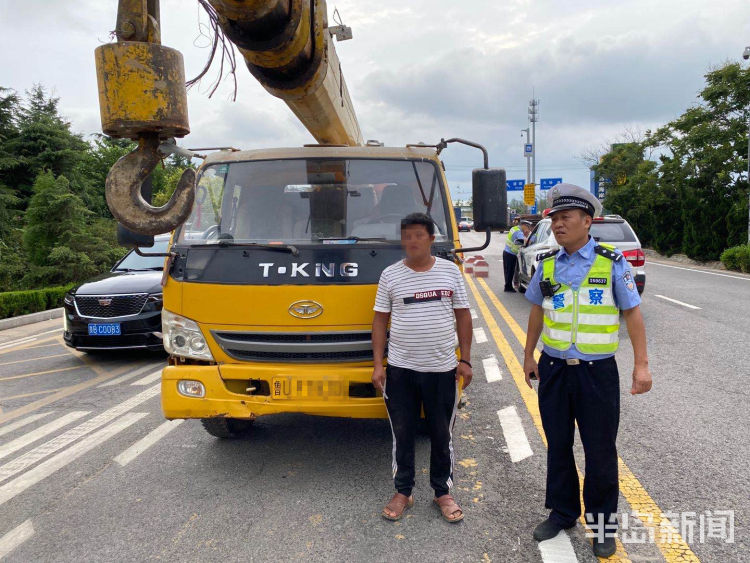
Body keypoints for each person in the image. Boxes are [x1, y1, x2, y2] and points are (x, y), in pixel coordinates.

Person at [522, 183, 652, 558]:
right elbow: (535, 310)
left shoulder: (611, 263)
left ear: (586, 221)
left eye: (565, 219)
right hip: (555, 369)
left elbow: (633, 313)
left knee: (599, 450)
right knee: (558, 444)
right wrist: (529, 354)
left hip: (597, 372)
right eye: (555, 219)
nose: (558, 225)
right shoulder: (546, 264)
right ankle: (563, 512)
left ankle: (603, 527)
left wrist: (641, 366)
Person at [371, 212, 473, 523]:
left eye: (418, 234)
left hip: (442, 369)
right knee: (403, 433)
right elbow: (379, 321)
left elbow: (463, 316)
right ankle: (403, 491)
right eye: (406, 235)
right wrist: (379, 364)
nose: (411, 240)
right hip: (401, 370)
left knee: (442, 434)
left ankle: (442, 491)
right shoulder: (390, 275)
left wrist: (465, 359)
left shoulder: (450, 272)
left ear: (431, 238)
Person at [503, 220, 531, 292]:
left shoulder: (514, 228)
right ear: (523, 225)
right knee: (510, 271)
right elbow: (523, 241)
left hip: (506, 252)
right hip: (511, 254)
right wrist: (527, 238)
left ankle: (507, 286)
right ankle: (508, 287)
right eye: (528, 227)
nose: (528, 229)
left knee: (507, 271)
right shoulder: (519, 232)